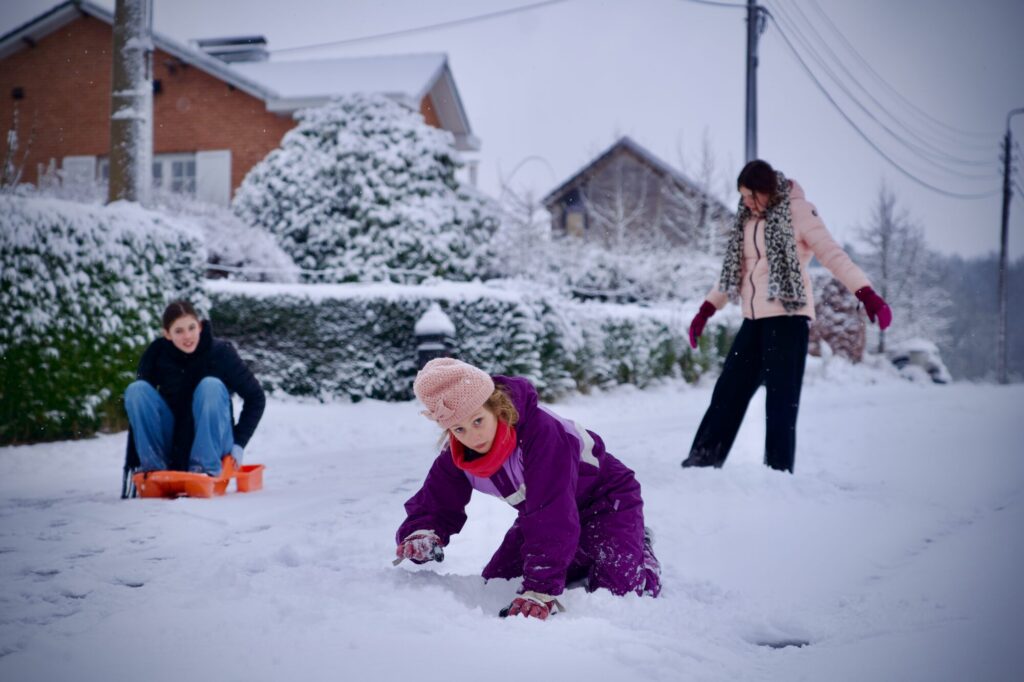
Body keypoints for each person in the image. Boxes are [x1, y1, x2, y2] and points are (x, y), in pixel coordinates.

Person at [395, 358, 661, 620]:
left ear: (496, 407)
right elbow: (437, 499)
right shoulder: (457, 454)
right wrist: (423, 533)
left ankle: (641, 551)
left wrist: (540, 591)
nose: (472, 436)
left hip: (606, 502)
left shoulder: (542, 433)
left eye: (478, 420)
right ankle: (579, 553)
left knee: (617, 593)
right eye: (459, 428)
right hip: (541, 513)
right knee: (498, 582)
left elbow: (553, 514)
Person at [684, 159, 892, 473]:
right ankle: (702, 459)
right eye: (743, 197)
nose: (747, 203)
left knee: (781, 402)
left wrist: (867, 293)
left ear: (769, 191)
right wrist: (706, 310)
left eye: (752, 196)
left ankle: (777, 472)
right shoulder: (748, 220)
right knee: (727, 391)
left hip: (789, 319)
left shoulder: (799, 212)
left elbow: (832, 255)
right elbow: (734, 273)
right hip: (753, 320)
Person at [124, 300, 265, 476]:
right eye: (179, 331)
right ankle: (154, 470)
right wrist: (135, 457)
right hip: (174, 441)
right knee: (137, 391)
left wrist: (239, 443)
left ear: (199, 326)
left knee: (210, 385)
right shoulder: (158, 354)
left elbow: (256, 397)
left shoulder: (221, 352)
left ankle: (204, 469)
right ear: (167, 334)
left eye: (191, 328)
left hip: (215, 442)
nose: (187, 336)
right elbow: (143, 411)